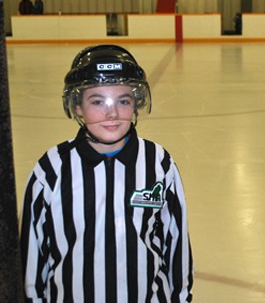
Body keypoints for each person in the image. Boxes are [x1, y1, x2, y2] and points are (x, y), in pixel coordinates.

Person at [20, 45, 194, 302]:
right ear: (77, 106)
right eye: (97, 101)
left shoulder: (158, 163)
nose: (111, 113)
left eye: (123, 101)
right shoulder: (51, 170)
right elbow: (32, 255)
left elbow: (176, 243)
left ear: (137, 103)